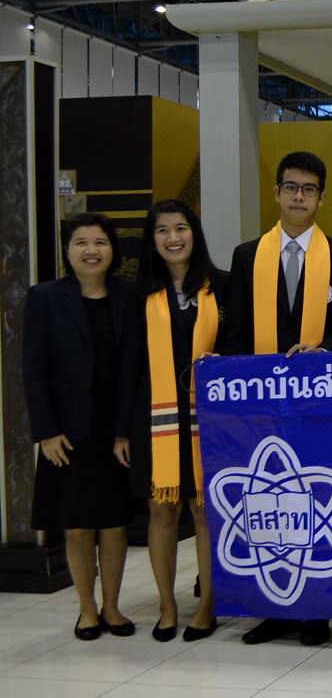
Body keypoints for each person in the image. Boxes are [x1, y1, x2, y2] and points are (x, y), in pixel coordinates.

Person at [222, 151, 332, 646]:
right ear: (276, 193)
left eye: (308, 189)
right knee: (269, 503)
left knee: (315, 501)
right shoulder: (246, 256)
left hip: (320, 404)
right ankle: (275, 609)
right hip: (263, 404)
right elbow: (236, 332)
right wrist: (242, 394)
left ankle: (317, 609)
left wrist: (324, 350)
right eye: (290, 187)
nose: (299, 196)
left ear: (322, 197)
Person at [115, 200, 227, 642]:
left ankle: (207, 604)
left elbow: (240, 347)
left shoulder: (222, 286)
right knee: (162, 510)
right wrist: (121, 431)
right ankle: (166, 605)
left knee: (204, 510)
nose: (173, 238)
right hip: (155, 419)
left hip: (210, 419)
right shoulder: (138, 295)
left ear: (194, 233)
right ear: (152, 240)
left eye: (181, 228)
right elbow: (128, 366)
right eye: (162, 230)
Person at [23, 212, 137, 641]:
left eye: (100, 242)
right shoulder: (46, 297)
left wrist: (126, 430)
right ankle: (87, 610)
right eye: (81, 243)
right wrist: (46, 431)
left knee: (114, 522)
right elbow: (33, 370)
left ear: (113, 249)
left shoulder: (129, 295)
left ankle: (112, 607)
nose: (91, 251)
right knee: (77, 524)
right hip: (67, 431)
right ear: (67, 251)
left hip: (116, 427)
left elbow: (135, 367)